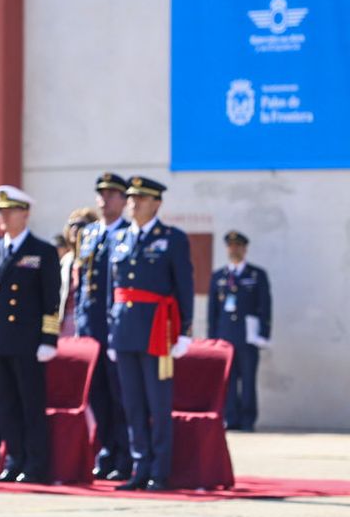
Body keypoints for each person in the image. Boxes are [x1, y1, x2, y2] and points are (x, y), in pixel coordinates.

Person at [105, 176, 194, 492]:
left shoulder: (171, 238)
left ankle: (160, 470)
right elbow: (112, 289)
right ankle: (140, 467)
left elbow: (184, 286)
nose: (133, 203)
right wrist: (111, 330)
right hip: (124, 331)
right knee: (132, 405)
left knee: (158, 404)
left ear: (156, 203)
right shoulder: (119, 238)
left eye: (141, 198)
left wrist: (184, 331)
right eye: (130, 198)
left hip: (158, 331)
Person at [0, 186, 61, 484]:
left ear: (25, 213)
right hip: (0, 338)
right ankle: (13, 460)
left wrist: (48, 339)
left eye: (9, 211)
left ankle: (35, 464)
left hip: (28, 342)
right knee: (6, 404)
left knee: (30, 405)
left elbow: (51, 299)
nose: (2, 217)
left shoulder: (42, 251)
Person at [75, 174, 132, 479]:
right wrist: (79, 321)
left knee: (119, 395)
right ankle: (107, 451)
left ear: (123, 200)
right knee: (97, 394)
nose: (104, 200)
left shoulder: (127, 233)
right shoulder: (89, 233)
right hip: (90, 326)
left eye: (111, 194)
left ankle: (125, 456)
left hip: (115, 327)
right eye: (101, 194)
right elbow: (81, 283)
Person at [209, 230, 271, 431]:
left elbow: (265, 306)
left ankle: (247, 419)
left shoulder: (256, 275)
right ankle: (230, 418)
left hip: (248, 336)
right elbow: (212, 312)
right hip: (225, 336)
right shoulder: (219, 276)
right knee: (228, 380)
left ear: (245, 249)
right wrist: (212, 339)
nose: (234, 250)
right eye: (231, 246)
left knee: (248, 379)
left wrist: (264, 334)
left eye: (238, 246)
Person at [57, 208, 98, 338]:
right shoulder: (66, 260)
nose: (75, 229)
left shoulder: (96, 257)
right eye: (72, 225)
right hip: (64, 322)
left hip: (88, 321)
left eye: (81, 225)